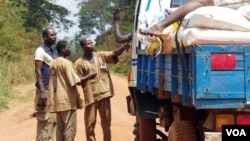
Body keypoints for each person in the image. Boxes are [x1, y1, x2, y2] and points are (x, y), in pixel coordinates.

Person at [74, 37, 130, 141]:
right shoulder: (79, 63)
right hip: (91, 97)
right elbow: (77, 81)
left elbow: (113, 54)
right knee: (90, 124)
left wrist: (122, 48)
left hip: (104, 94)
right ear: (83, 47)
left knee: (106, 123)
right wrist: (88, 77)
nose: (91, 44)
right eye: (88, 43)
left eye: (91, 42)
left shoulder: (100, 56)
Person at [48, 40, 96, 141]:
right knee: (70, 130)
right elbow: (76, 81)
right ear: (62, 49)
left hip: (57, 101)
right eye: (68, 48)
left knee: (60, 130)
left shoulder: (52, 63)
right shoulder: (67, 63)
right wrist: (90, 76)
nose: (70, 49)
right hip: (67, 101)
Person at [34, 27, 57, 141]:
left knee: (52, 120)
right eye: (52, 35)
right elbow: (38, 71)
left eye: (55, 34)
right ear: (45, 37)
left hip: (51, 90)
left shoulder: (51, 51)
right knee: (44, 120)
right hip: (44, 90)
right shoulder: (40, 50)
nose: (55, 36)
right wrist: (43, 91)